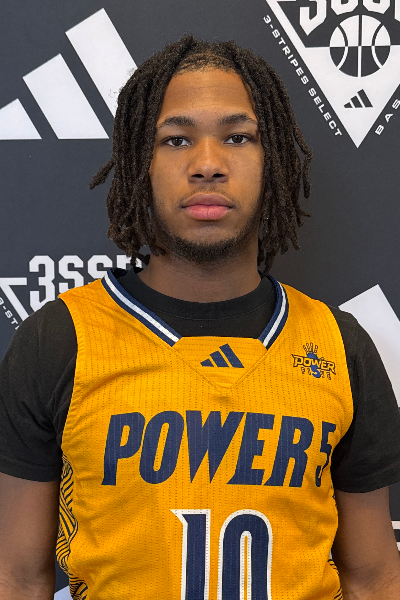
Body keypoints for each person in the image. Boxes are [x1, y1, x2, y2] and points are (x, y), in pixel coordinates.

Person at [0, 35, 400, 600]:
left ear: (273, 160)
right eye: (176, 139)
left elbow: (374, 577)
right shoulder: (61, 338)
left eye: (237, 137)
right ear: (140, 163)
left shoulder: (338, 344)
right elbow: (19, 577)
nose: (207, 164)